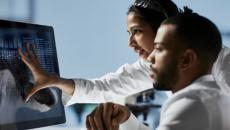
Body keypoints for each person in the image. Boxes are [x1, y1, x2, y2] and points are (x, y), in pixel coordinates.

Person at [86, 8, 230, 130]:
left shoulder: (191, 103)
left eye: (159, 49)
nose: (150, 58)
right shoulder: (212, 99)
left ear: (186, 59)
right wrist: (128, 121)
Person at [19, 0, 180, 105]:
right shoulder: (150, 67)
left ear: (163, 29)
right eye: (128, 33)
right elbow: (103, 88)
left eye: (136, 31)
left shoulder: (199, 71)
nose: (130, 43)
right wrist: (55, 81)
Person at [0, 58, 57, 127]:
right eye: (43, 90)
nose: (38, 91)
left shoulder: (12, 103)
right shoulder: (24, 75)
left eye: (42, 97)